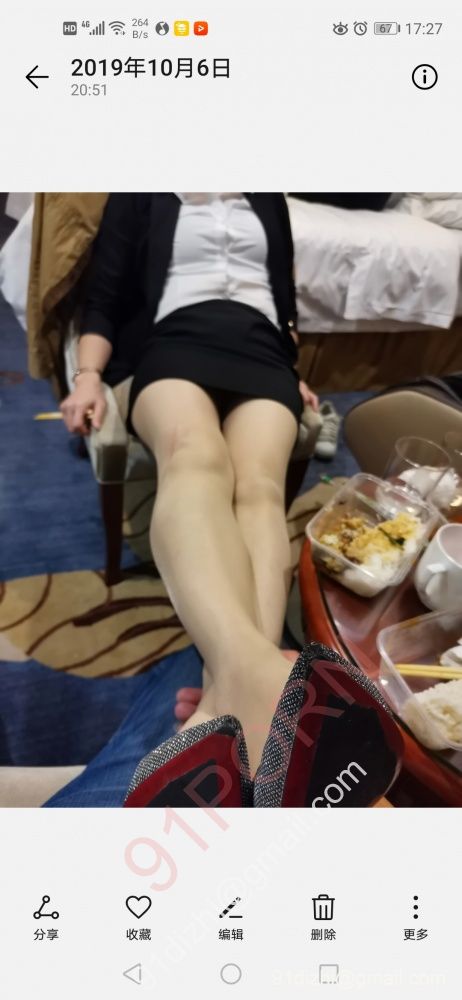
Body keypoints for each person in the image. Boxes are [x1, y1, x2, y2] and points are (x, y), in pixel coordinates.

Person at [61, 192, 318, 775]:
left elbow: (283, 297)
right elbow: (104, 297)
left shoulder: (266, 194)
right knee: (194, 455)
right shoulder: (142, 192)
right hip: (174, 340)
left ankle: (231, 693)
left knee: (260, 487)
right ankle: (261, 680)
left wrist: (294, 370)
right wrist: (89, 376)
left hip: (262, 350)